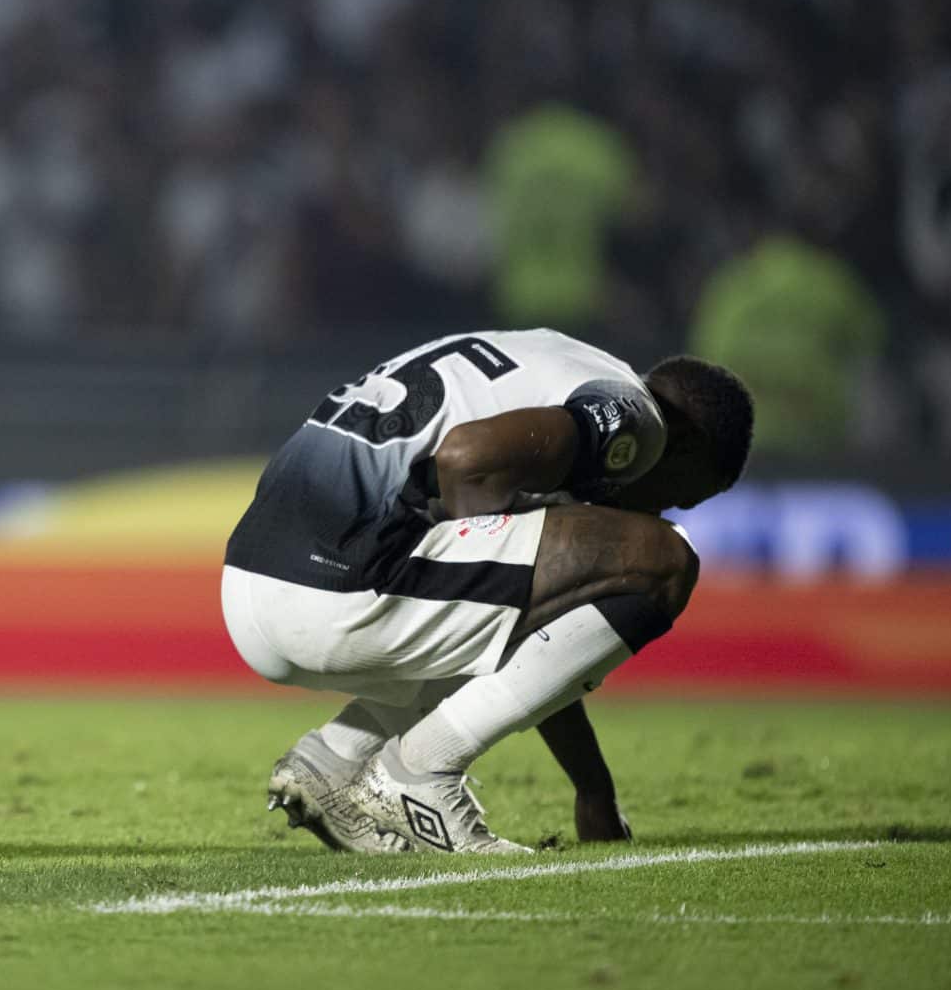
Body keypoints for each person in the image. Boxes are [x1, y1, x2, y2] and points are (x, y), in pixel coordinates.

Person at [221, 329, 753, 853]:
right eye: (681, 492)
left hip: (251, 581)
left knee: (524, 583)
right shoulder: (638, 421)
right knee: (662, 559)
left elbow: (531, 634)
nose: (661, 509)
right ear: (682, 445)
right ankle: (422, 772)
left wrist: (591, 785)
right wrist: (500, 566)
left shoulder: (559, 360)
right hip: (334, 587)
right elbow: (465, 458)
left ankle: (333, 759)